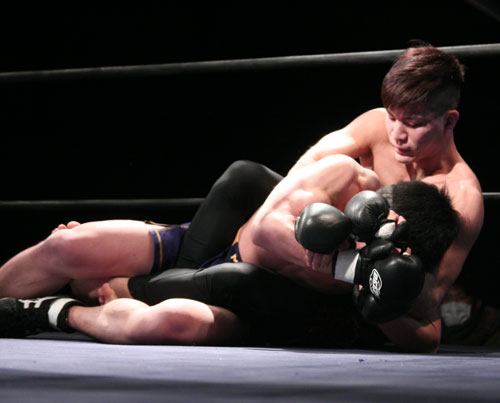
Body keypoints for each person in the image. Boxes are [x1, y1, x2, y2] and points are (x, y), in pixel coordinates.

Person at [1, 155, 460, 352]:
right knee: (68, 245)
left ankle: (55, 311)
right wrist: (347, 263)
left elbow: (429, 337)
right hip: (214, 245)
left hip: (242, 304)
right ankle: (112, 288)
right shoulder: (345, 177)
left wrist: (379, 288)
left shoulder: (407, 270)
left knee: (165, 323)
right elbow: (266, 232)